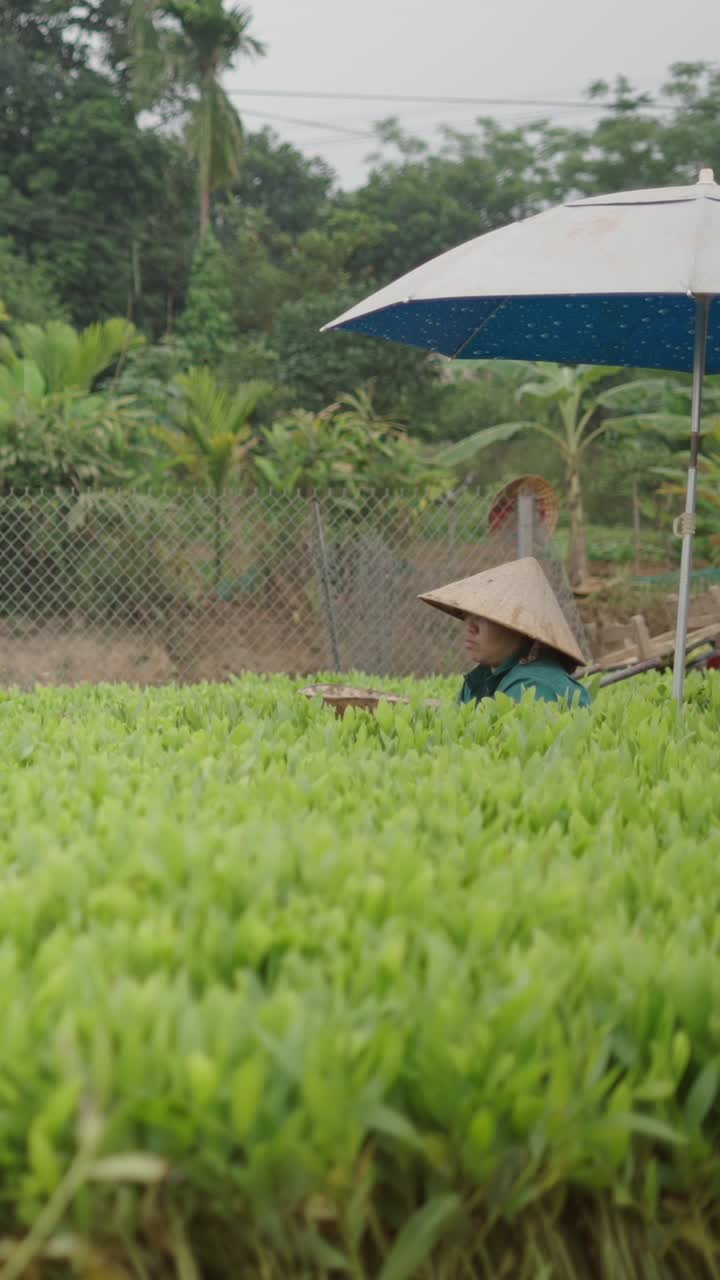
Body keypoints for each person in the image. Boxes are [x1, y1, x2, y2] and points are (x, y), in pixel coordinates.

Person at [419, 556, 592, 708]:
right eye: (467, 615)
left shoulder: (534, 687)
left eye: (482, 617)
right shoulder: (483, 679)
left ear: (520, 629)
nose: (470, 626)